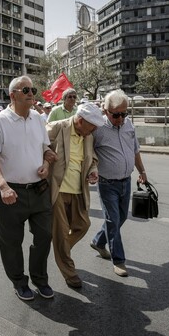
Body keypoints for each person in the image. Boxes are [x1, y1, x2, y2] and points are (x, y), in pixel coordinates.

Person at [0, 75, 57, 301]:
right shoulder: (0, 121)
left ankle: (40, 279)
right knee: (11, 242)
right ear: (12, 95)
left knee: (44, 236)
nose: (30, 93)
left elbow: (46, 149)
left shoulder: (37, 118)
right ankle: (19, 281)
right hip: (11, 193)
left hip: (39, 190)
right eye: (25, 89)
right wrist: (3, 185)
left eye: (32, 89)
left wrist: (46, 163)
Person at [89, 89, 148, 277]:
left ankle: (98, 241)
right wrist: (91, 170)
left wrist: (142, 171)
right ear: (105, 111)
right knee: (113, 221)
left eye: (124, 113)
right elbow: (87, 152)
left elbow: (135, 150)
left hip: (126, 181)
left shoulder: (129, 125)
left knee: (121, 217)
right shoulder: (97, 128)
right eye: (116, 115)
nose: (121, 118)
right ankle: (119, 260)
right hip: (107, 183)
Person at [46, 103, 103, 288]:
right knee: (61, 234)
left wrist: (93, 170)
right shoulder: (57, 128)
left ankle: (61, 251)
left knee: (83, 225)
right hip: (58, 190)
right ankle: (70, 273)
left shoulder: (88, 136)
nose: (94, 130)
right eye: (92, 126)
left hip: (79, 190)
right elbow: (38, 147)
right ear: (80, 121)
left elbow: (92, 158)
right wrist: (46, 155)